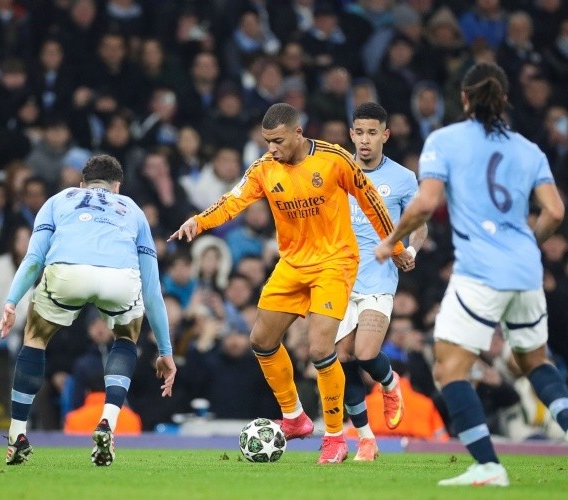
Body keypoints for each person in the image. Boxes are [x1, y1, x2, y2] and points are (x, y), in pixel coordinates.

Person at [374, 62, 568, 486]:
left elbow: (425, 203)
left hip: (479, 271)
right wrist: (527, 244)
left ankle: (487, 464)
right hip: (526, 270)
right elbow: (555, 211)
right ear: (504, 100)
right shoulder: (528, 149)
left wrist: (390, 240)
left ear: (464, 98)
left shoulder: (444, 140)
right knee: (535, 360)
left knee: (449, 369)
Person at [169, 103, 411, 464]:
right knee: (261, 340)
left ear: (298, 134)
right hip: (292, 264)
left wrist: (397, 248)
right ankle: (295, 416)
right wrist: (198, 221)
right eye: (267, 141)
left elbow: (372, 203)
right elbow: (233, 201)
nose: (272, 148)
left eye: (278, 141)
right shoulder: (264, 168)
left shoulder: (334, 159)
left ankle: (335, 437)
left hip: (334, 263)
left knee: (320, 349)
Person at [0, 154, 176, 466]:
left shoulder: (59, 199)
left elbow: (34, 258)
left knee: (35, 338)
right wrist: (165, 351)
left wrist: (11, 301)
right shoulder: (133, 209)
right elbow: (152, 291)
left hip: (68, 272)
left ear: (82, 185)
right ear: (117, 187)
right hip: (119, 279)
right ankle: (108, 422)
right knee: (126, 338)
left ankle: (17, 435)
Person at [334, 102, 427, 461]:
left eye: (372, 132)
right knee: (342, 356)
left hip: (379, 278)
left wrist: (411, 251)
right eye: (359, 132)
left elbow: (419, 224)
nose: (365, 139)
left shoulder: (403, 178)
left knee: (365, 353)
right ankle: (365, 438)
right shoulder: (338, 170)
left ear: (385, 135)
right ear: (351, 134)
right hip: (340, 278)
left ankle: (390, 383)